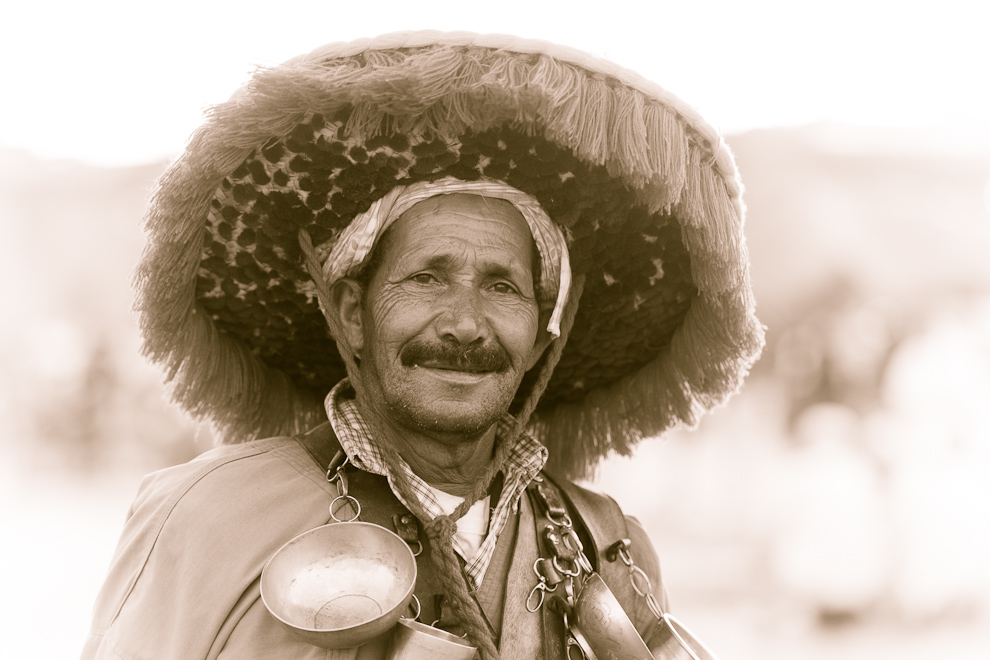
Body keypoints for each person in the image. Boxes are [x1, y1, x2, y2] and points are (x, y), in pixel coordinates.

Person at [82, 32, 764, 660]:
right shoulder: (209, 517)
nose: (465, 324)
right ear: (353, 314)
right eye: (427, 277)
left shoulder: (609, 545)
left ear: (540, 337)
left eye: (502, 287)